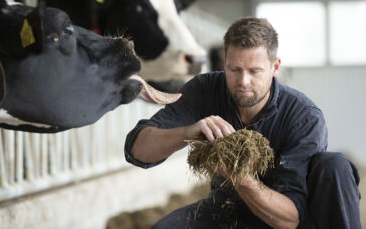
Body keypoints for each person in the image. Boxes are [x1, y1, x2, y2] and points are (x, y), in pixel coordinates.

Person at [124, 17, 361, 229]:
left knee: (335, 164)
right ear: (224, 62)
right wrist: (189, 131)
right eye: (234, 69)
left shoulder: (303, 116)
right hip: (227, 207)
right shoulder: (205, 90)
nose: (243, 81)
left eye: (255, 71)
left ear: (275, 67)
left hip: (287, 216)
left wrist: (238, 174)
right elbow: (137, 150)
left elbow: (289, 220)